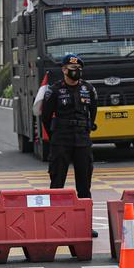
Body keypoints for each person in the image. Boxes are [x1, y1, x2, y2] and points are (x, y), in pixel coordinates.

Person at [38, 54, 99, 237]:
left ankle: (85, 225)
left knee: (84, 185)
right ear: (64, 70)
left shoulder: (88, 89)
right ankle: (54, 225)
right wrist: (56, 137)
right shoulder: (55, 90)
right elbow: (46, 117)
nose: (76, 72)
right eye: (72, 69)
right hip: (61, 140)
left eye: (79, 69)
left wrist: (85, 129)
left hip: (82, 140)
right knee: (57, 183)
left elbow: (93, 112)